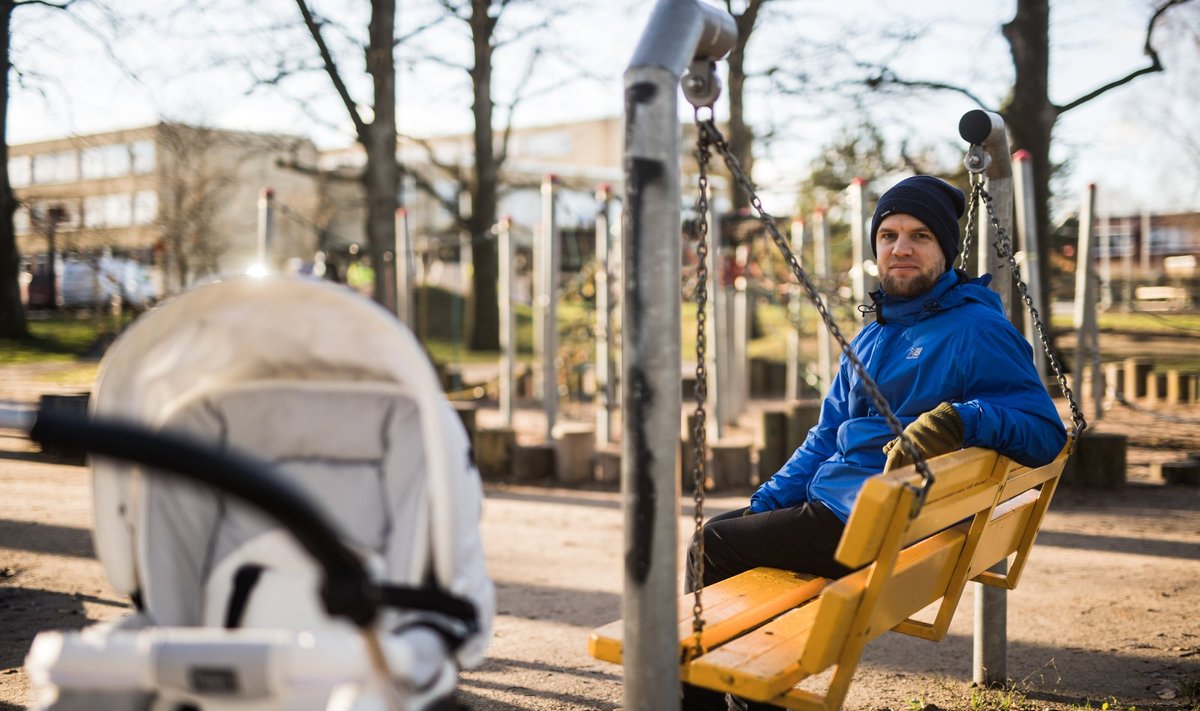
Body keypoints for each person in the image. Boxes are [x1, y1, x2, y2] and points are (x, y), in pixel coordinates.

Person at [681, 175, 1067, 711]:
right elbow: (824, 438)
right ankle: (752, 695)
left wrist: (965, 419)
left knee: (711, 547)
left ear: (945, 250)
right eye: (888, 235)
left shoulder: (974, 329)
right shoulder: (874, 332)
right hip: (871, 520)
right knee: (729, 531)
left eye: (919, 235)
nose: (900, 248)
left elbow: (1046, 431)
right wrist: (767, 502)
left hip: (876, 526)